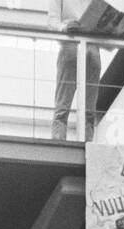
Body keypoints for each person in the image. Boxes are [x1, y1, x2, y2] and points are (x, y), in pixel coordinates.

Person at [48, 0, 103, 142]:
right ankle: (58, 145)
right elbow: (52, 21)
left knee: (89, 110)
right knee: (62, 106)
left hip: (92, 49)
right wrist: (65, 27)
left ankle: (88, 146)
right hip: (70, 46)